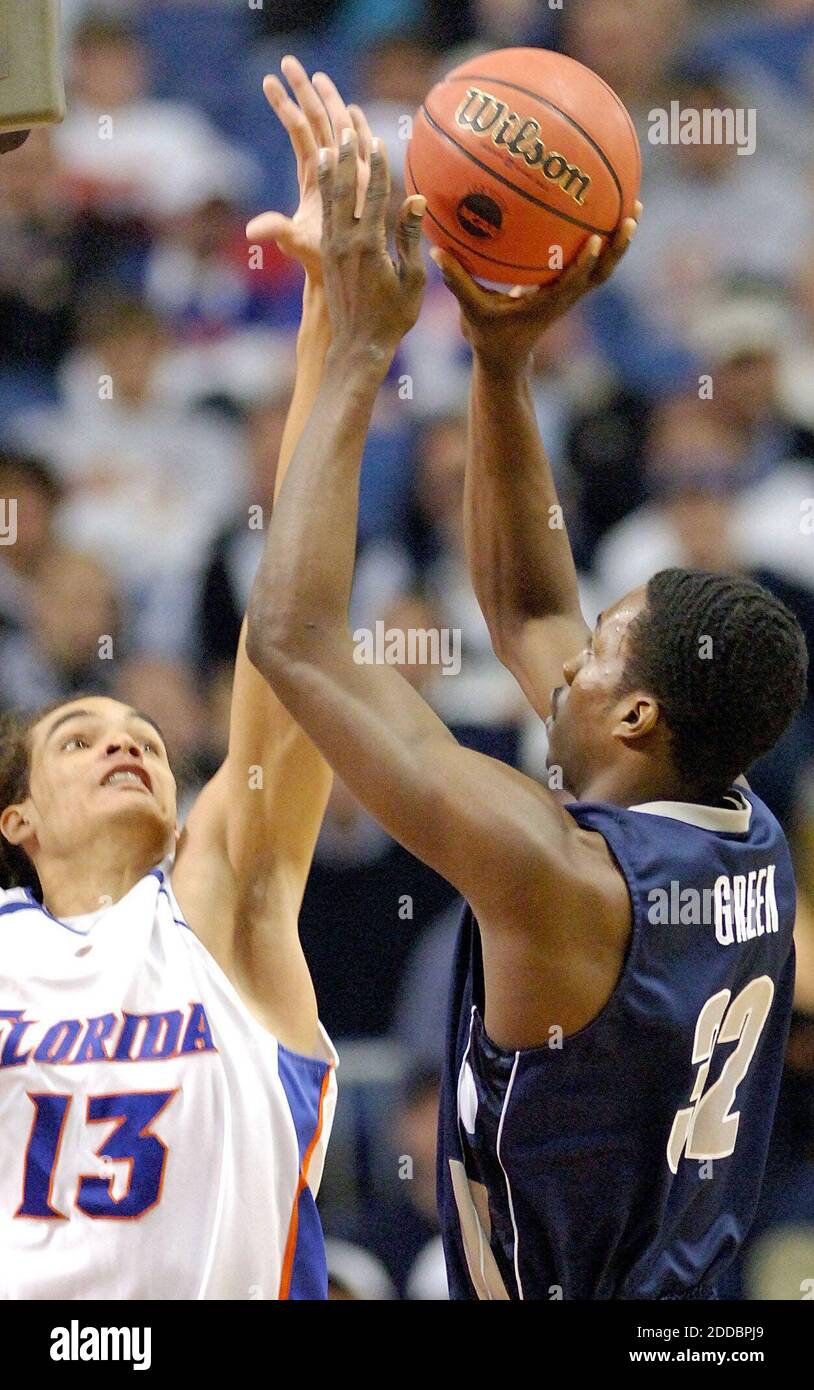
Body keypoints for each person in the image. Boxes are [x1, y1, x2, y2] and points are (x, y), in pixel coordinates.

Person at [245, 130, 809, 1299]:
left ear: (638, 712)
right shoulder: (736, 815)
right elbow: (527, 600)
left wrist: (358, 350)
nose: (570, 649)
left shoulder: (552, 871)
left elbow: (294, 641)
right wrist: (502, 363)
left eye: (601, 650)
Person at [0, 62, 371, 1301]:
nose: (128, 741)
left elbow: (297, 631)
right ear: (18, 822)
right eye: (78, 738)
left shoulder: (220, 907)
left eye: (146, 734)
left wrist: (332, 321)